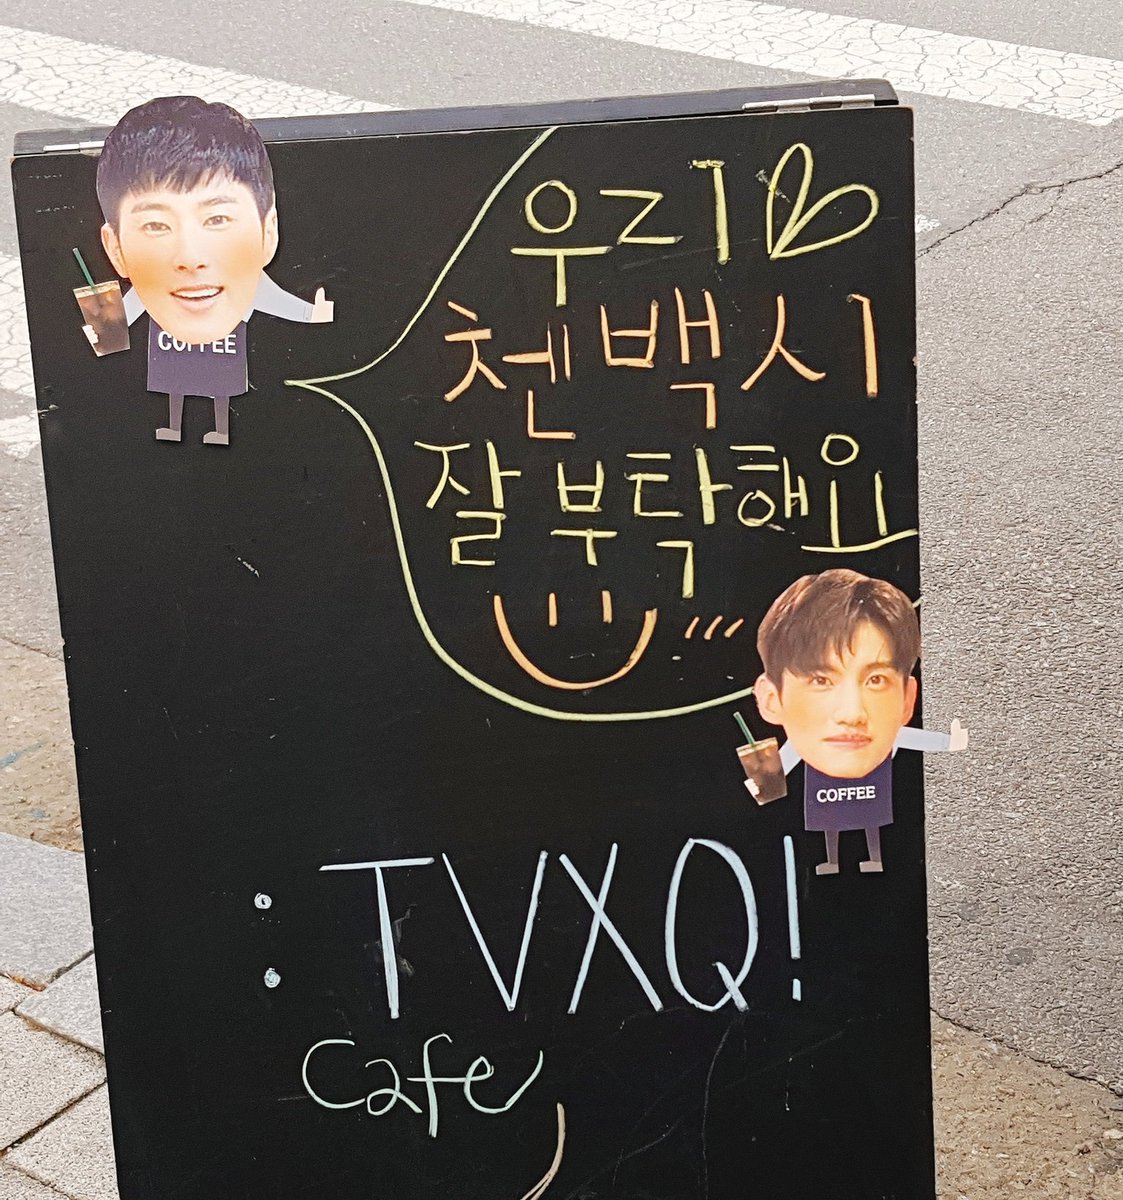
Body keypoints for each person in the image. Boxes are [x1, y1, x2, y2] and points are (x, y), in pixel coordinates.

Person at [96, 95, 335, 445]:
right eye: (156, 226)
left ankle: (219, 430)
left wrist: (314, 314)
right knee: (175, 388)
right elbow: (116, 321)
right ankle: (177, 426)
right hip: (165, 375)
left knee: (219, 391)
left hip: (235, 386)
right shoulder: (108, 414)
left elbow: (278, 301)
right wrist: (98, 328)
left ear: (268, 233)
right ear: (116, 249)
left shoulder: (298, 395)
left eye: (218, 219)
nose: (190, 257)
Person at [751, 569, 967, 875]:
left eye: (876, 680)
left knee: (871, 824)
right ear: (772, 700)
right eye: (821, 680)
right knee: (830, 826)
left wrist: (950, 743)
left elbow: (912, 737)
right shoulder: (803, 750)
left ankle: (873, 859)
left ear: (907, 699)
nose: (852, 713)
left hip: (878, 815)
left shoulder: (890, 741)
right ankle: (832, 861)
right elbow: (779, 767)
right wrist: (758, 784)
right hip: (820, 809)